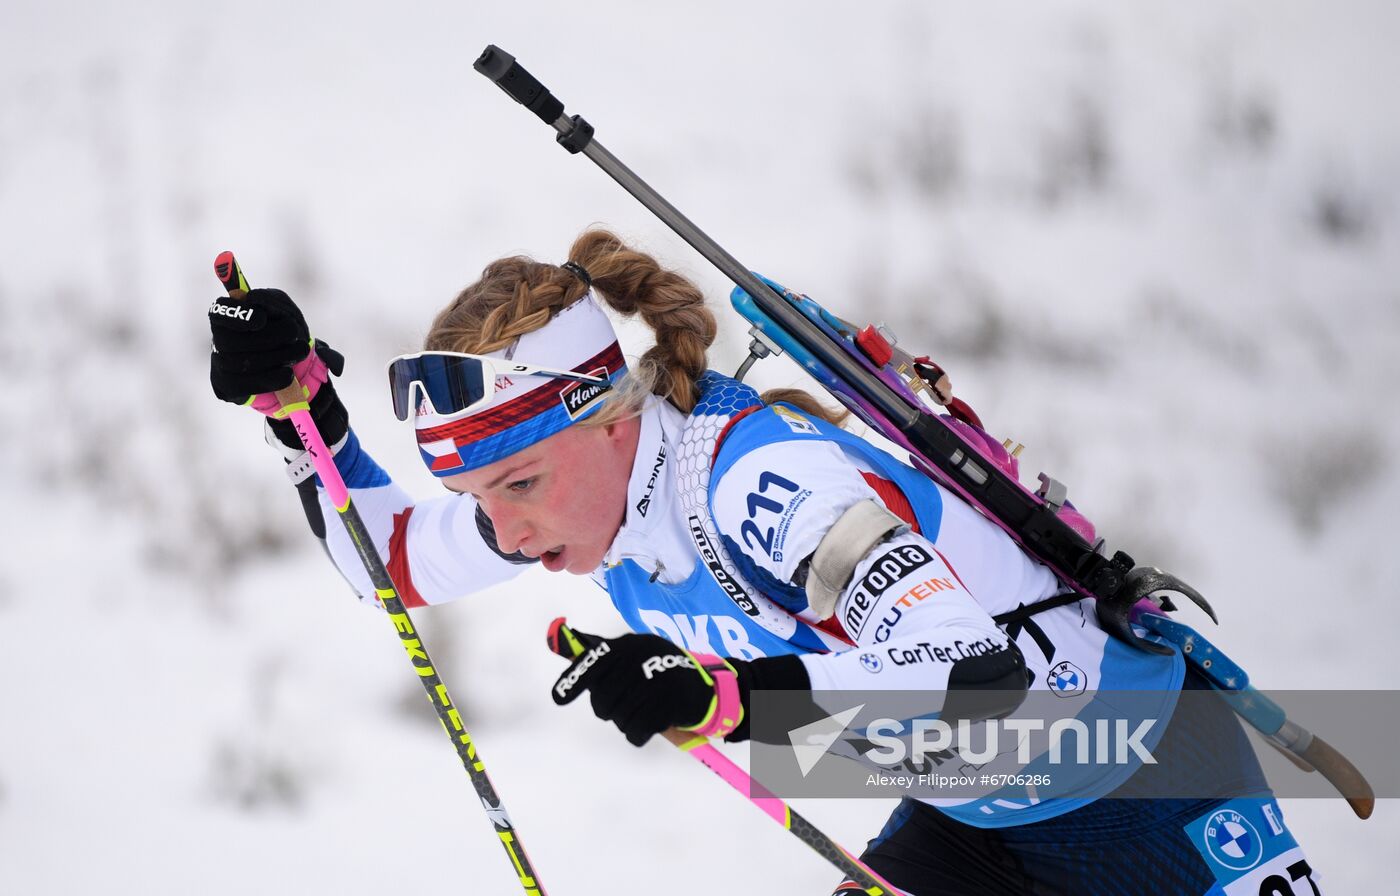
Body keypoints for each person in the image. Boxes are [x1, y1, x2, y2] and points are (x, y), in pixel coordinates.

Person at [208, 229, 1318, 895]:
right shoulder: (603, 499)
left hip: (1145, 789)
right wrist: (307, 418)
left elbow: (981, 686)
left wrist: (729, 698)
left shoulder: (754, 479)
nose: (501, 532)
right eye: (477, 498)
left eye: (519, 484)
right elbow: (390, 559)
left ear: (609, 418)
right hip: (977, 824)